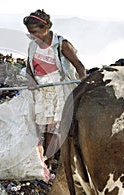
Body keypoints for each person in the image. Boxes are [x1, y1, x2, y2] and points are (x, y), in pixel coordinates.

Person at [23, 9, 86, 164]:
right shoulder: (33, 46)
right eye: (30, 33)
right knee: (46, 127)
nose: (32, 36)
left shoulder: (60, 44)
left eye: (35, 32)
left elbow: (79, 66)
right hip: (42, 90)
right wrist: (31, 81)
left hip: (60, 89)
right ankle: (49, 159)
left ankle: (50, 160)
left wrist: (83, 84)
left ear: (46, 28)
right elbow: (29, 69)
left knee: (56, 127)